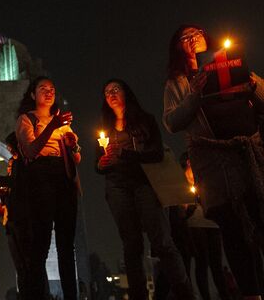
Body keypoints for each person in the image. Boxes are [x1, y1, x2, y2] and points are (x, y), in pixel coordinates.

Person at [163, 24, 264, 298]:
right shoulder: (178, 82)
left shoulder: (232, 63)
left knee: (259, 219)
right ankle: (250, 293)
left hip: (248, 157)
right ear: (177, 47)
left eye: (197, 33)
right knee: (232, 229)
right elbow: (172, 121)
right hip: (215, 164)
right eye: (185, 37)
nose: (193, 38)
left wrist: (253, 86)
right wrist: (194, 95)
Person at [97, 78, 194, 299]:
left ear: (126, 93)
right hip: (117, 186)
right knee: (131, 246)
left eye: (115, 89)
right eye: (106, 92)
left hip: (145, 183)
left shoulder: (145, 121)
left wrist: (125, 154)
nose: (111, 94)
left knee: (161, 242)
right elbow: (99, 163)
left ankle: (184, 291)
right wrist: (100, 164)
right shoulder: (105, 126)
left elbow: (157, 154)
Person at [15, 76, 82, 299]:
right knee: (40, 243)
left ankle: (71, 295)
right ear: (33, 94)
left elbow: (78, 158)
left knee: (66, 244)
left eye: (52, 88)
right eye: (42, 88)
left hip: (64, 179)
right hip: (40, 178)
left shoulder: (62, 122)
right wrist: (52, 126)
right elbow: (31, 151)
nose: (49, 91)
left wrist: (73, 145)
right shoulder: (26, 119)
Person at [178, 153, 231, 300]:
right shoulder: (181, 181)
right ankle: (205, 296)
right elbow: (180, 209)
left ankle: (225, 295)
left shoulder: (203, 177)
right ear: (188, 162)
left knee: (217, 264)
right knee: (202, 262)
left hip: (212, 222)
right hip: (195, 224)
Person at [0, 132, 32, 299]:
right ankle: (24, 293)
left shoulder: (25, 163)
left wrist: (3, 180)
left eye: (10, 147)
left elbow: (21, 184)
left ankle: (32, 294)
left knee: (28, 261)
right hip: (11, 221)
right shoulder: (15, 165)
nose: (9, 169)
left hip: (22, 218)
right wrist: (3, 193)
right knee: (19, 262)